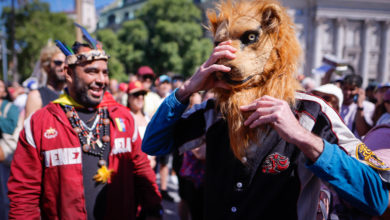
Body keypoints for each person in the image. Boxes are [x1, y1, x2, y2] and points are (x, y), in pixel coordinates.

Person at [141, 0, 390, 218]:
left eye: (249, 39)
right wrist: (185, 90)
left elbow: (376, 196)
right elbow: (153, 144)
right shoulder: (215, 111)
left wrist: (302, 137)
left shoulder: (312, 112)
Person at [8, 29, 162, 219]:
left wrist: (153, 210)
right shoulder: (40, 123)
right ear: (69, 73)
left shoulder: (123, 117)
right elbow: (24, 195)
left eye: (104, 72)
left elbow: (141, 170)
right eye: (92, 71)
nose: (101, 80)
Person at [24, 44, 66, 118]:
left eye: (65, 63)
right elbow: (30, 128)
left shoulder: (72, 94)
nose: (63, 67)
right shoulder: (36, 96)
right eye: (58, 63)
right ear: (47, 66)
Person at [0, 80, 20, 220]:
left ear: (5, 91)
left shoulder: (11, 108)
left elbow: (9, 128)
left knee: (5, 195)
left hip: (4, 158)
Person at [127, 80, 156, 168]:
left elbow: (154, 140)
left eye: (142, 95)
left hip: (150, 165)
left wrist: (153, 159)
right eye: (136, 95)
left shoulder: (147, 117)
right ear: (129, 97)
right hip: (134, 165)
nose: (140, 97)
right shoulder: (126, 117)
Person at [340, 74, 375, 138]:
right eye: (345, 88)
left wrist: (360, 106)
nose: (347, 92)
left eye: (352, 89)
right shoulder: (336, 104)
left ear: (360, 90)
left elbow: (362, 132)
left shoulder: (368, 106)